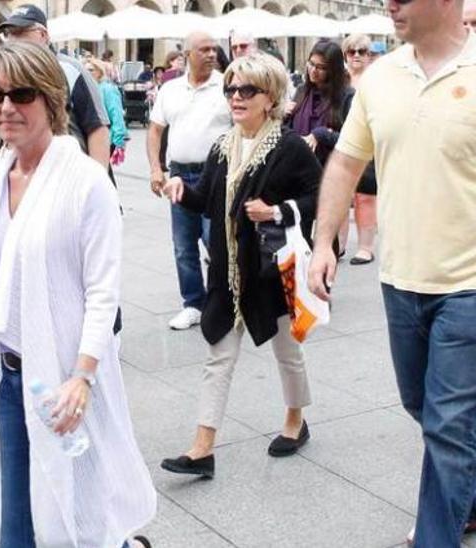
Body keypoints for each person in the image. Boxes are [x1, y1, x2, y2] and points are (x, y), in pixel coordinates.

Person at [307, 2, 476, 545]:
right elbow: (345, 162)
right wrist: (322, 243)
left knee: (449, 422)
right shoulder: (381, 77)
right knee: (421, 405)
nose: (391, 5)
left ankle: (437, 534)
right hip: (401, 276)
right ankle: (467, 498)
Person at [0, 40, 154, 548]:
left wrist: (83, 378)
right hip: (5, 374)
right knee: (13, 520)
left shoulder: (87, 184)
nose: (5, 107)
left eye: (20, 94)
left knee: (80, 510)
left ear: (49, 98)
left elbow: (102, 292)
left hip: (64, 380)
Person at [158, 51, 321, 478]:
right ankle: (202, 447)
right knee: (219, 357)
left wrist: (278, 210)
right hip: (227, 272)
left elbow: (316, 198)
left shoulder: (289, 148)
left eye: (246, 89)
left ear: (270, 98)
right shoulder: (222, 147)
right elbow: (209, 199)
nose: (235, 96)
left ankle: (295, 420)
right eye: (231, 88)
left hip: (270, 271)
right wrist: (181, 189)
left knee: (288, 352)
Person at [147, 32, 233, 331]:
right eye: (204, 49)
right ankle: (193, 304)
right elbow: (155, 130)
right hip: (180, 174)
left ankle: (225, 299)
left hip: (218, 174)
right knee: (184, 245)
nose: (211, 54)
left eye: (214, 49)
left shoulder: (227, 84)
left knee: (216, 241)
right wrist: (156, 169)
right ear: (187, 54)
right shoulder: (170, 89)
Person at [0, 4, 111, 167]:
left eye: (20, 32)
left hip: (72, 175)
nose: (14, 40)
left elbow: (97, 127)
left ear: (43, 35)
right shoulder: (9, 75)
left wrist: (97, 182)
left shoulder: (69, 70)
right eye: (10, 34)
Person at [288, 41, 352, 256]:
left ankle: (324, 280)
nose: (314, 71)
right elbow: (287, 132)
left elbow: (353, 140)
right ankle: (304, 285)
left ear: (333, 70)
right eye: (311, 64)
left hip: (330, 174)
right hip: (298, 176)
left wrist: (321, 133)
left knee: (326, 238)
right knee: (300, 235)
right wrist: (282, 115)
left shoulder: (346, 97)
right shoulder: (300, 92)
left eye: (321, 67)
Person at [342, 33, 380, 265]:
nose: (357, 56)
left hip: (368, 145)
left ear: (369, 56)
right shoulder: (340, 81)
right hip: (340, 145)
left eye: (362, 52)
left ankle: (365, 247)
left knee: (365, 197)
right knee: (341, 196)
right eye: (352, 51)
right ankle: (339, 245)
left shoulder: (376, 80)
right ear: (345, 55)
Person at [87, 58, 128, 164]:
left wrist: (118, 141)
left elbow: (116, 114)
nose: (87, 72)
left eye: (91, 70)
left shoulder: (108, 89)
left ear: (100, 71)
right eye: (85, 69)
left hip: (107, 137)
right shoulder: (88, 88)